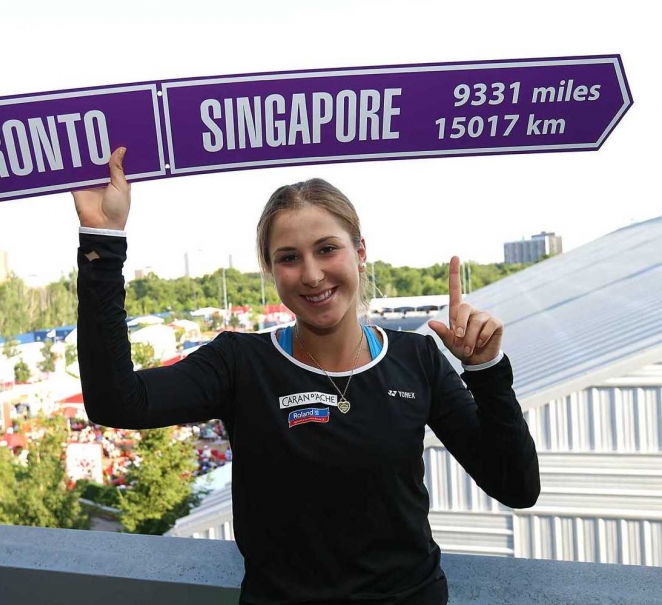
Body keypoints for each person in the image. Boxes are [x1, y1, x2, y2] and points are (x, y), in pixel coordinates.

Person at [72, 147, 540, 605]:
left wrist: (486, 370)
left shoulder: (416, 358)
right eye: (289, 258)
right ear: (271, 270)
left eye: (327, 249)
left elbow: (516, 486)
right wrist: (102, 240)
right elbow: (117, 401)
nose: (312, 274)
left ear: (360, 252)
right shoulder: (241, 363)